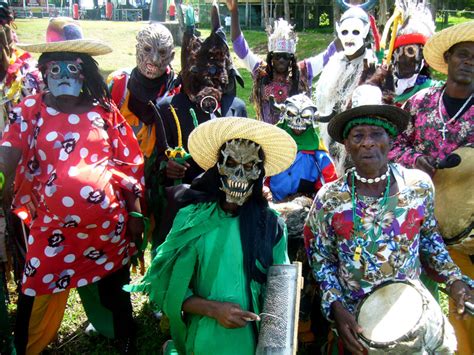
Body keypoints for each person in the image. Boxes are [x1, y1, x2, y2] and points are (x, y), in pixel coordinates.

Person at [2, 17, 145, 354]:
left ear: (86, 73)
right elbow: (9, 149)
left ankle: (126, 337)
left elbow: (128, 163)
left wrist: (136, 215)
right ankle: (26, 347)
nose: (64, 75)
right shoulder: (31, 109)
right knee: (35, 286)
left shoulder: (104, 111)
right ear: (44, 71)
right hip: (52, 231)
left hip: (107, 229)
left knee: (115, 287)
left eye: (73, 67)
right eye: (55, 69)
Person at [304, 84, 473, 354]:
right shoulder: (330, 199)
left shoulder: (417, 187)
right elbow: (321, 258)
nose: (368, 142)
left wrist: (454, 279)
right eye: (358, 135)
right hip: (356, 323)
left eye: (376, 134)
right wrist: (336, 308)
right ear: (347, 144)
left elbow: (430, 240)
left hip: (411, 314)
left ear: (391, 139)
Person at [127, 116, 296, 355]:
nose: (239, 175)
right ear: (218, 167)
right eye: (232, 163)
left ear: (259, 173)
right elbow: (166, 286)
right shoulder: (193, 219)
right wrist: (212, 309)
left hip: (256, 339)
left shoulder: (270, 224)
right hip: (206, 336)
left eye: (248, 167)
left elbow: (280, 290)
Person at [389, 21, 474, 354]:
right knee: (416, 295)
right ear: (448, 58)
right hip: (419, 218)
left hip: (465, 227)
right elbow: (393, 142)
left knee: (465, 298)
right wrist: (415, 159)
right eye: (463, 55)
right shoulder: (421, 102)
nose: (468, 62)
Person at [226, 0, 336, 124]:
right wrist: (234, 12)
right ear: (271, 57)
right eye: (277, 56)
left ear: (291, 58)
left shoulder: (304, 70)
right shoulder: (261, 71)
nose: (281, 60)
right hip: (268, 137)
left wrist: (347, 31)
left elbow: (329, 55)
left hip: (298, 138)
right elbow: (240, 47)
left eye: (285, 56)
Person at [387, 0, 441, 106]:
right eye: (398, 52)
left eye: (410, 51)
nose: (403, 59)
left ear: (424, 60)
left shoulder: (432, 90)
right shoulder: (386, 85)